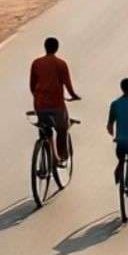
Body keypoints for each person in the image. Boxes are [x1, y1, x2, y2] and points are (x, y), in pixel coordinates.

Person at [29, 37, 81, 166]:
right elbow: (68, 85)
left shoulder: (36, 63)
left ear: (45, 47)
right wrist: (75, 96)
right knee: (62, 129)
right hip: (56, 105)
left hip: (40, 104)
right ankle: (61, 156)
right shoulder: (61, 64)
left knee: (45, 129)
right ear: (56, 48)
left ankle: (50, 155)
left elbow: (32, 85)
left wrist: (38, 98)